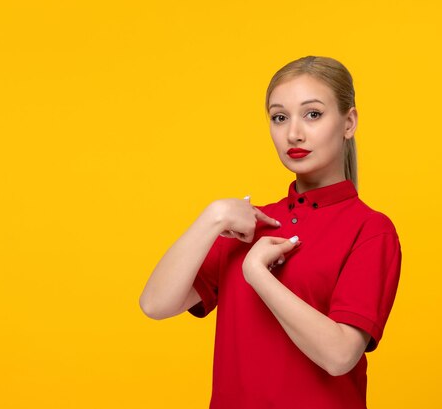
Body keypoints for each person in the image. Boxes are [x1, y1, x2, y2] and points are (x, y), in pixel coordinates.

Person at [139, 55, 402, 409]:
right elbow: (155, 304)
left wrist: (257, 275)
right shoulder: (251, 224)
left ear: (348, 122)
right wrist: (213, 217)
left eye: (313, 114)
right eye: (280, 117)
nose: (294, 132)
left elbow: (340, 355)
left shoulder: (371, 230)